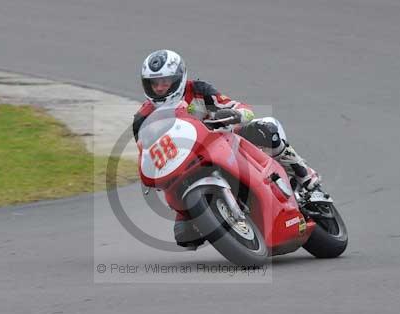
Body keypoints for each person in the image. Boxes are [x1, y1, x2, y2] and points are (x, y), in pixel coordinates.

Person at [133, 49, 322, 248]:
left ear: (179, 78)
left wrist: (236, 114)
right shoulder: (142, 118)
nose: (160, 88)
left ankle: (305, 177)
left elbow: (241, 107)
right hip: (182, 165)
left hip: (221, 142)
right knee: (185, 236)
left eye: (166, 82)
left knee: (268, 128)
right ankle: (219, 218)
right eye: (154, 83)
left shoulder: (198, 90)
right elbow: (145, 150)